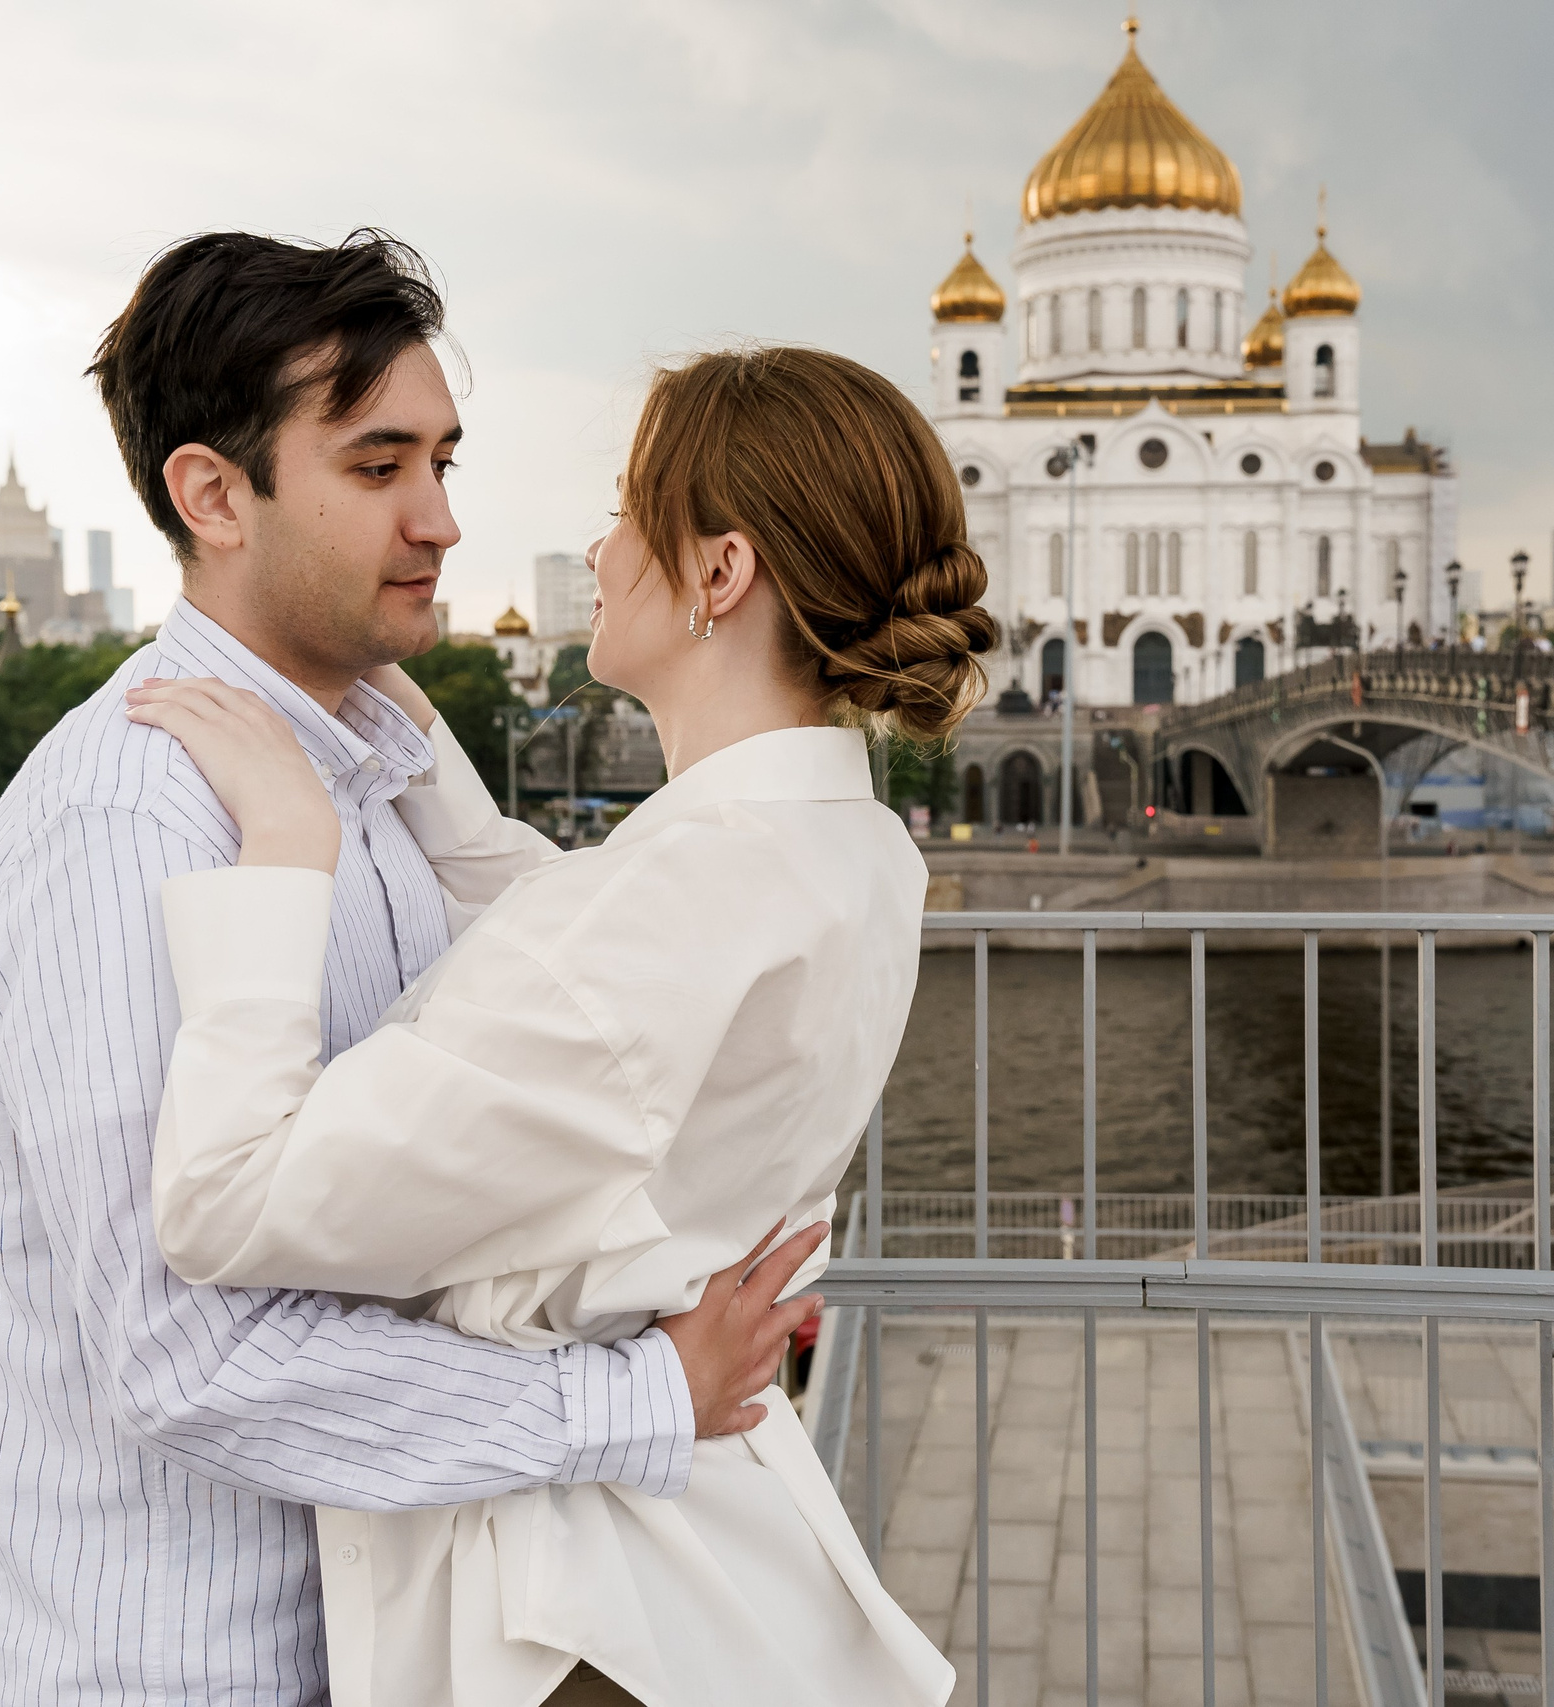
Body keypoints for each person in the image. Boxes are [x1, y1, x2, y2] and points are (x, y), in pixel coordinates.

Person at [0, 231, 817, 1706]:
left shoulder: (373, 785)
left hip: (391, 1647)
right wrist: (636, 1398)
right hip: (201, 1668)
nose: (439, 521)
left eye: (446, 464)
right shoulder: (129, 825)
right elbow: (183, 1357)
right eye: (377, 468)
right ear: (212, 495)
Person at [128, 346, 982, 1706]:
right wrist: (399, 720)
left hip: (576, 1613)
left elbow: (230, 1205)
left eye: (630, 508)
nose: (598, 545)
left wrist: (289, 844)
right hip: (702, 1566)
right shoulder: (855, 848)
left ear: (718, 573)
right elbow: (596, 977)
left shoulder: (673, 904)